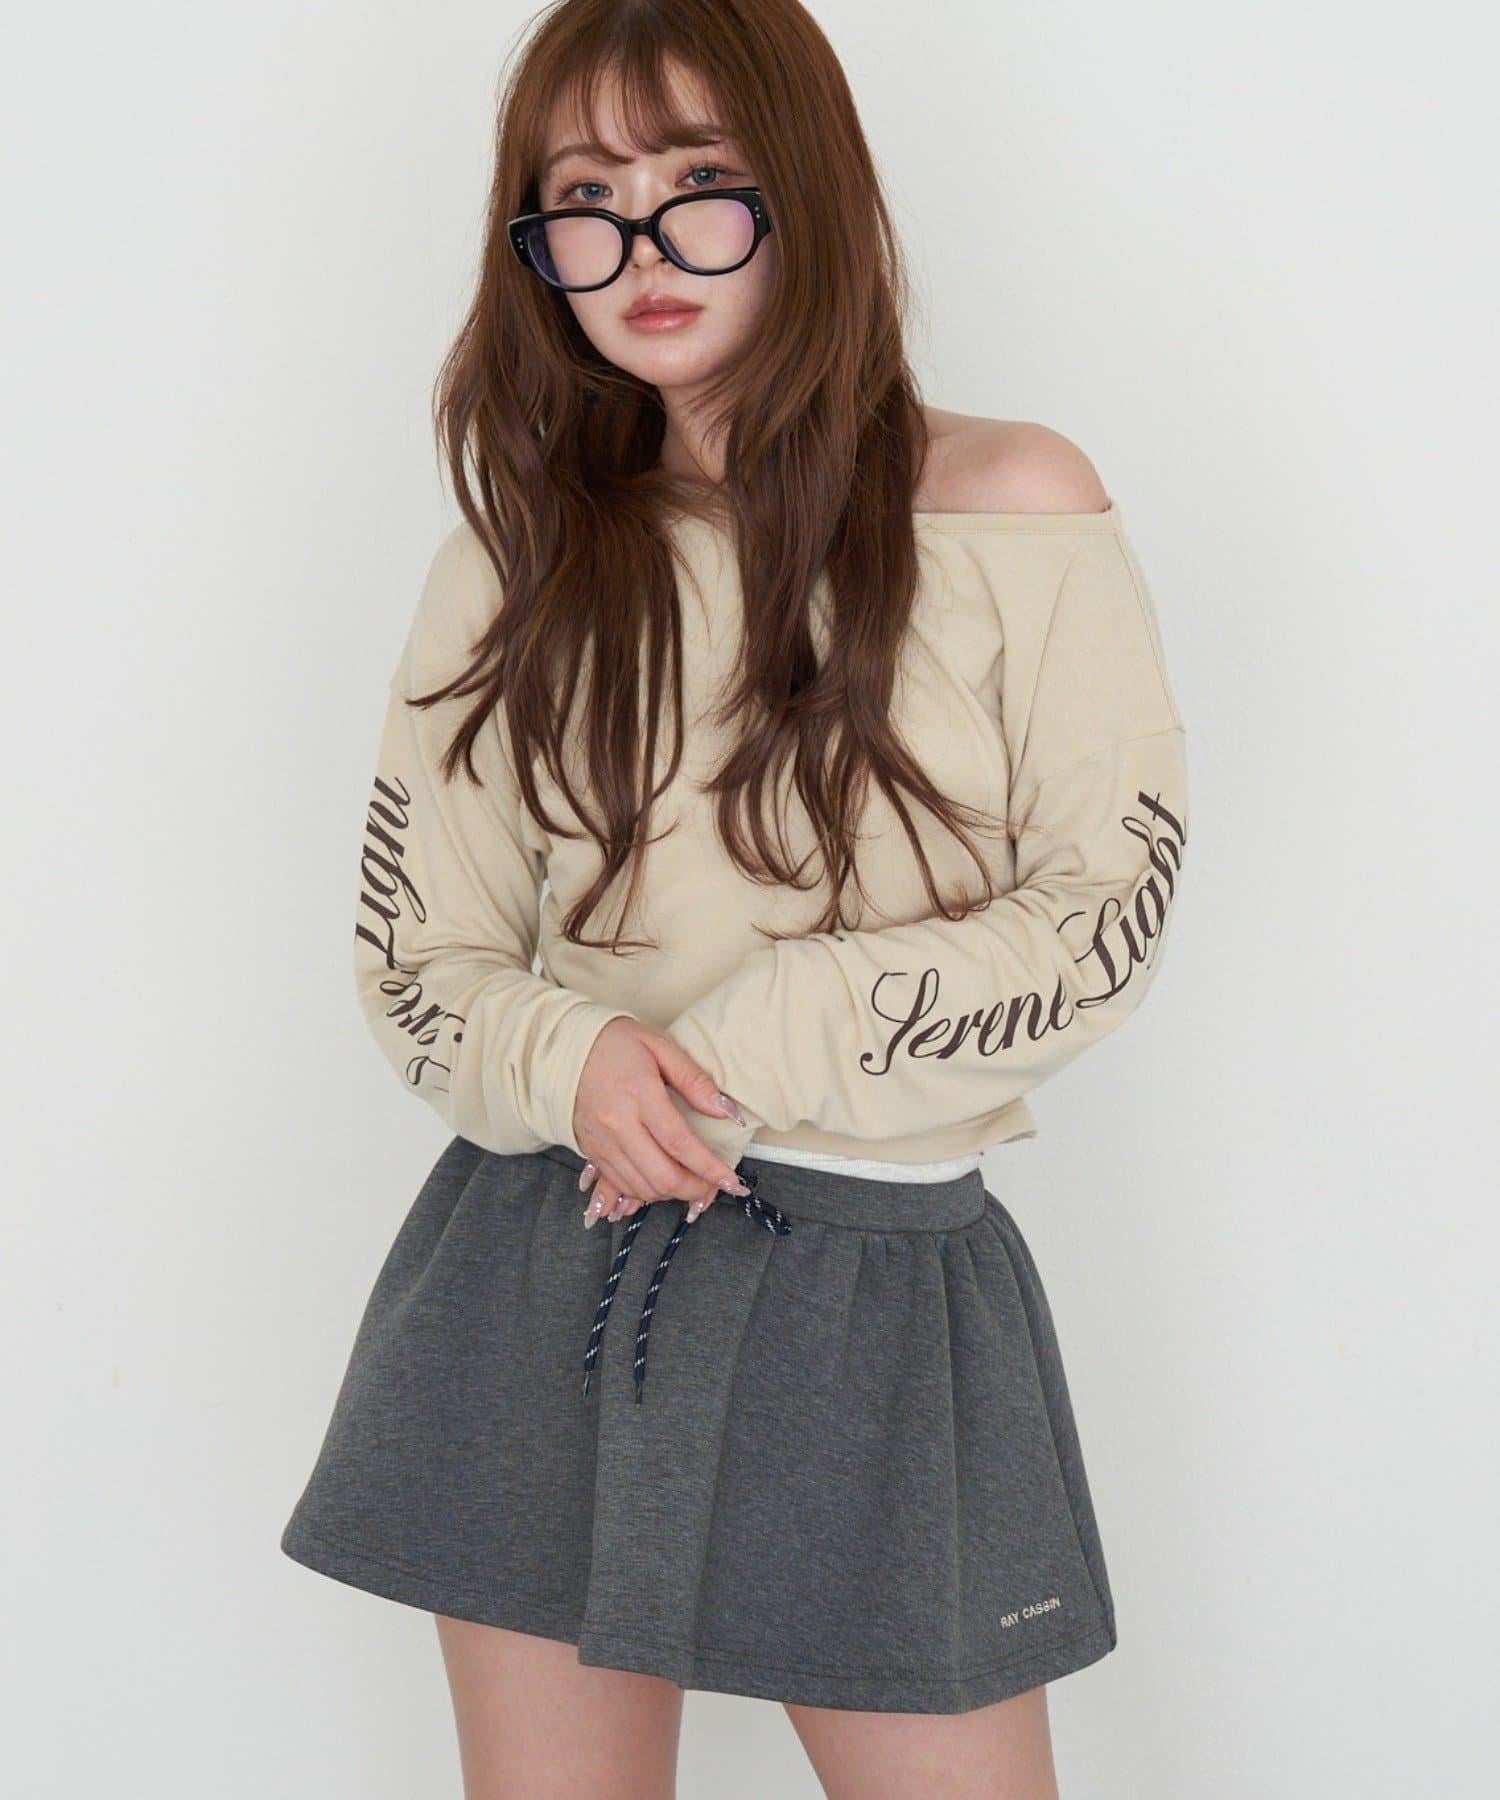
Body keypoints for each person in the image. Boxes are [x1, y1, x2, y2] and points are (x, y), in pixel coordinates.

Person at [279, 2, 1190, 1793]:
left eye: (698, 181)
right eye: (584, 198)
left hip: (869, 1283)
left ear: (807, 191)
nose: (641, 247)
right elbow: (416, 954)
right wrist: (573, 1063)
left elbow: (1108, 912)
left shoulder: (1011, 503)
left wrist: (749, 1043)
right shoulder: (515, 564)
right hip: (554, 1253)